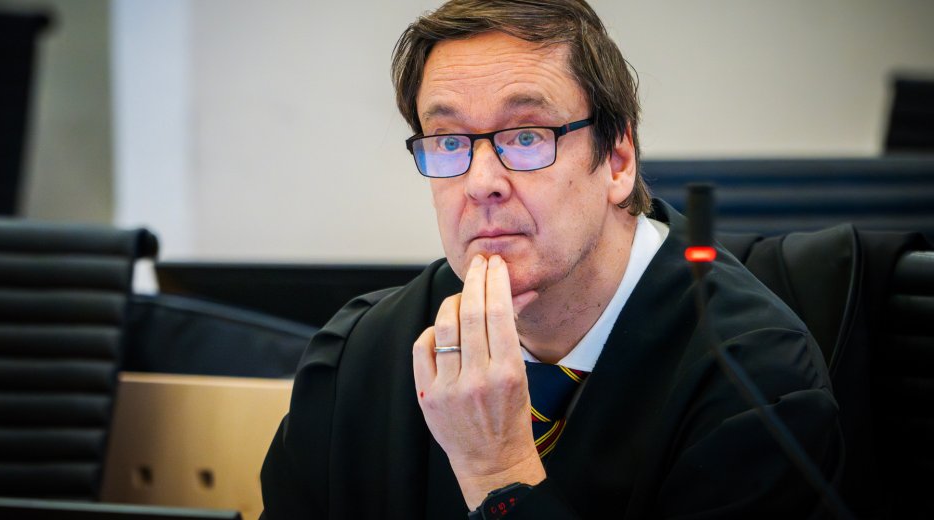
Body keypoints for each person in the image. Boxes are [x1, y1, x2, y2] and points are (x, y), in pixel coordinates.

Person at [260, 1, 842, 518]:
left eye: (526, 136)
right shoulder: (359, 356)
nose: (481, 183)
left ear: (617, 160)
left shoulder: (756, 383)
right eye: (449, 142)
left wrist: (498, 471)